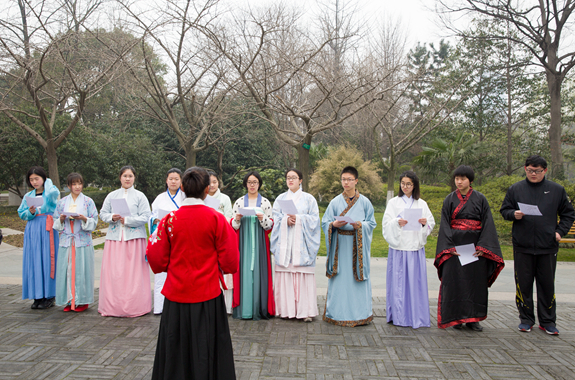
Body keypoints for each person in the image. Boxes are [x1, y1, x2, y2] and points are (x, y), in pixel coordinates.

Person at [147, 166, 238, 379]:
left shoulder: (169, 220)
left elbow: (156, 258)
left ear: (183, 188)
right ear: (207, 190)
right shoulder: (216, 218)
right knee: (208, 345)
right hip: (207, 294)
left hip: (176, 295)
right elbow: (231, 260)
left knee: (175, 344)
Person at [500, 155, 575, 335]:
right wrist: (513, 214)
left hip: (547, 246)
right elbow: (504, 210)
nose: (534, 174)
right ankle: (526, 320)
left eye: (538, 171)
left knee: (547, 285)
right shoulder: (515, 189)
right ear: (525, 169)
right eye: (530, 170)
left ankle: (548, 321)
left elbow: (568, 214)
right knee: (523, 285)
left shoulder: (556, 190)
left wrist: (559, 232)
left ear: (545, 171)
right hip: (523, 246)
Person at [435, 165, 504, 331]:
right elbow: (444, 224)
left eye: (463, 179)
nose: (459, 182)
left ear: (470, 181)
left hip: (475, 248)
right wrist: (448, 247)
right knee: (454, 282)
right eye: (457, 179)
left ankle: (474, 318)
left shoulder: (481, 199)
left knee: (475, 282)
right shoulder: (449, 199)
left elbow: (488, 223)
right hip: (454, 249)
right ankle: (456, 318)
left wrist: (483, 247)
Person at [321, 166, 377, 327]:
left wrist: (359, 225)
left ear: (356, 181)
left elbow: (371, 223)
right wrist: (334, 224)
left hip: (357, 245)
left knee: (356, 281)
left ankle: (360, 314)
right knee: (340, 280)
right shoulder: (335, 202)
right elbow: (325, 222)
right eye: (343, 179)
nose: (346, 182)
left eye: (349, 179)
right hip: (340, 246)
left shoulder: (365, 202)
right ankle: (337, 313)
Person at [382, 171, 435, 328]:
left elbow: (431, 222)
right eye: (403, 183)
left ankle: (415, 315)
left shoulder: (422, 204)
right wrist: (397, 222)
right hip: (399, 248)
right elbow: (386, 224)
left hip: (414, 248)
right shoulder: (393, 203)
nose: (405, 187)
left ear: (414, 185)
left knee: (415, 284)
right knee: (398, 284)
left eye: (409, 184)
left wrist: (425, 223)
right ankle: (399, 316)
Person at [99, 165, 152, 317]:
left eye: (130, 176)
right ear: (120, 177)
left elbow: (145, 216)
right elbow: (102, 213)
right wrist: (112, 217)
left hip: (134, 240)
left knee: (134, 274)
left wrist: (128, 220)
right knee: (115, 273)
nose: (127, 179)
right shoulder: (112, 195)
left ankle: (136, 306)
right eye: (125, 176)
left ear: (134, 178)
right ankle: (113, 306)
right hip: (115, 239)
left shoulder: (140, 196)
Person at [270, 169, 320, 322]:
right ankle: (285, 310)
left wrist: (298, 219)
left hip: (302, 245)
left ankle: (305, 311)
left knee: (302, 275)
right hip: (286, 243)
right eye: (288, 178)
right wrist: (285, 220)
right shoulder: (280, 198)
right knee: (286, 274)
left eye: (293, 177)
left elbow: (314, 220)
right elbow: (275, 217)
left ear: (301, 180)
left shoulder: (309, 199)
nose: (290, 180)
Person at [231, 171, 275, 320]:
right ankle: (244, 309)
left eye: (255, 182)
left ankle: (258, 307)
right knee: (243, 272)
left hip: (260, 241)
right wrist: (236, 219)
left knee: (259, 272)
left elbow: (270, 226)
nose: (252, 185)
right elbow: (233, 226)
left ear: (259, 184)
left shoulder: (265, 203)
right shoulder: (238, 202)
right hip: (243, 241)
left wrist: (263, 219)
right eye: (249, 182)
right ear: (245, 184)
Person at [53, 173, 98, 312]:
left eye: (79, 183)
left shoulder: (88, 202)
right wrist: (61, 219)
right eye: (74, 184)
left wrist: (84, 218)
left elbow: (94, 221)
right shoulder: (62, 203)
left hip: (82, 240)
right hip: (67, 240)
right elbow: (55, 221)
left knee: (82, 270)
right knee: (66, 270)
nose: (77, 187)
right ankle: (69, 300)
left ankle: (82, 300)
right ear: (68, 186)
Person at [17, 166, 60, 309]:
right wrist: (30, 211)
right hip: (33, 229)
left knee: (48, 260)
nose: (34, 182)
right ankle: (37, 295)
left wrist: (48, 182)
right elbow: (21, 213)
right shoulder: (28, 195)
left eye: (37, 178)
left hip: (47, 228)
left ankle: (49, 295)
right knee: (34, 260)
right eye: (31, 179)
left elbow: (54, 192)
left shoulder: (50, 193)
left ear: (43, 178)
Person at [148, 168, 185, 315]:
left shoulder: (185, 197)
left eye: (176, 179)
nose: (174, 181)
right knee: (162, 273)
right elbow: (151, 216)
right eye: (171, 178)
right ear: (166, 180)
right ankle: (160, 306)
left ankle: (179, 306)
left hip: (180, 237)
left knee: (179, 271)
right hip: (164, 236)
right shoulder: (159, 198)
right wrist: (155, 220)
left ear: (181, 181)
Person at [207, 170, 234, 313]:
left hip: (221, 236)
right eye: (209, 182)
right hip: (206, 239)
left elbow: (230, 218)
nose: (212, 185)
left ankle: (225, 305)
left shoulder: (225, 198)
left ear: (219, 183)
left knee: (223, 270)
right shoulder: (202, 197)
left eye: (215, 182)